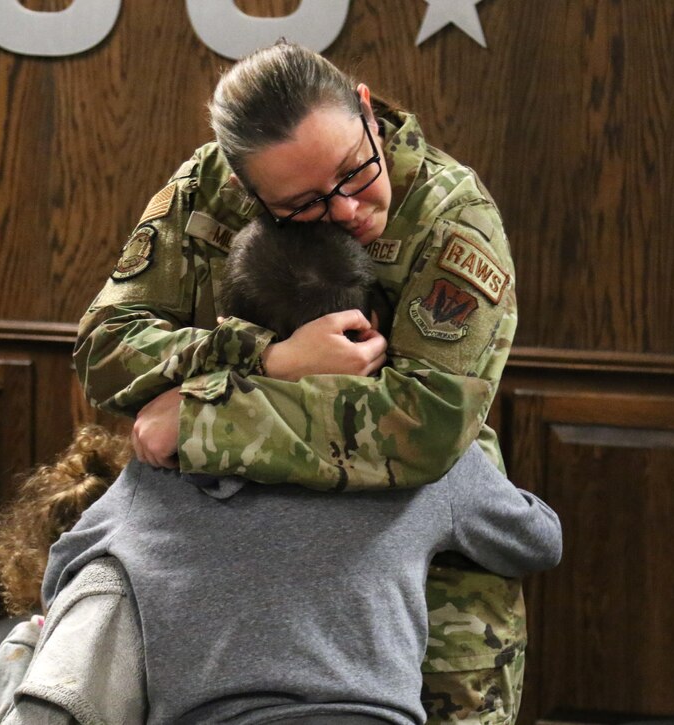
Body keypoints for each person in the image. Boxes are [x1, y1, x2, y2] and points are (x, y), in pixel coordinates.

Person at [74, 41, 522, 721]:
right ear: (245, 187)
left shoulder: (452, 219)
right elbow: (104, 348)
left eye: (355, 171)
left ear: (367, 111)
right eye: (305, 204)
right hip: (238, 583)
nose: (345, 210)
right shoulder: (208, 190)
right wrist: (272, 357)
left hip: (427, 595)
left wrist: (201, 420)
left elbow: (424, 428)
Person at [0, 220, 556, 724]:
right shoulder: (419, 459)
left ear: (231, 326)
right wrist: (465, 443)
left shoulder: (168, 459)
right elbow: (538, 539)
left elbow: (66, 571)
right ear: (371, 322)